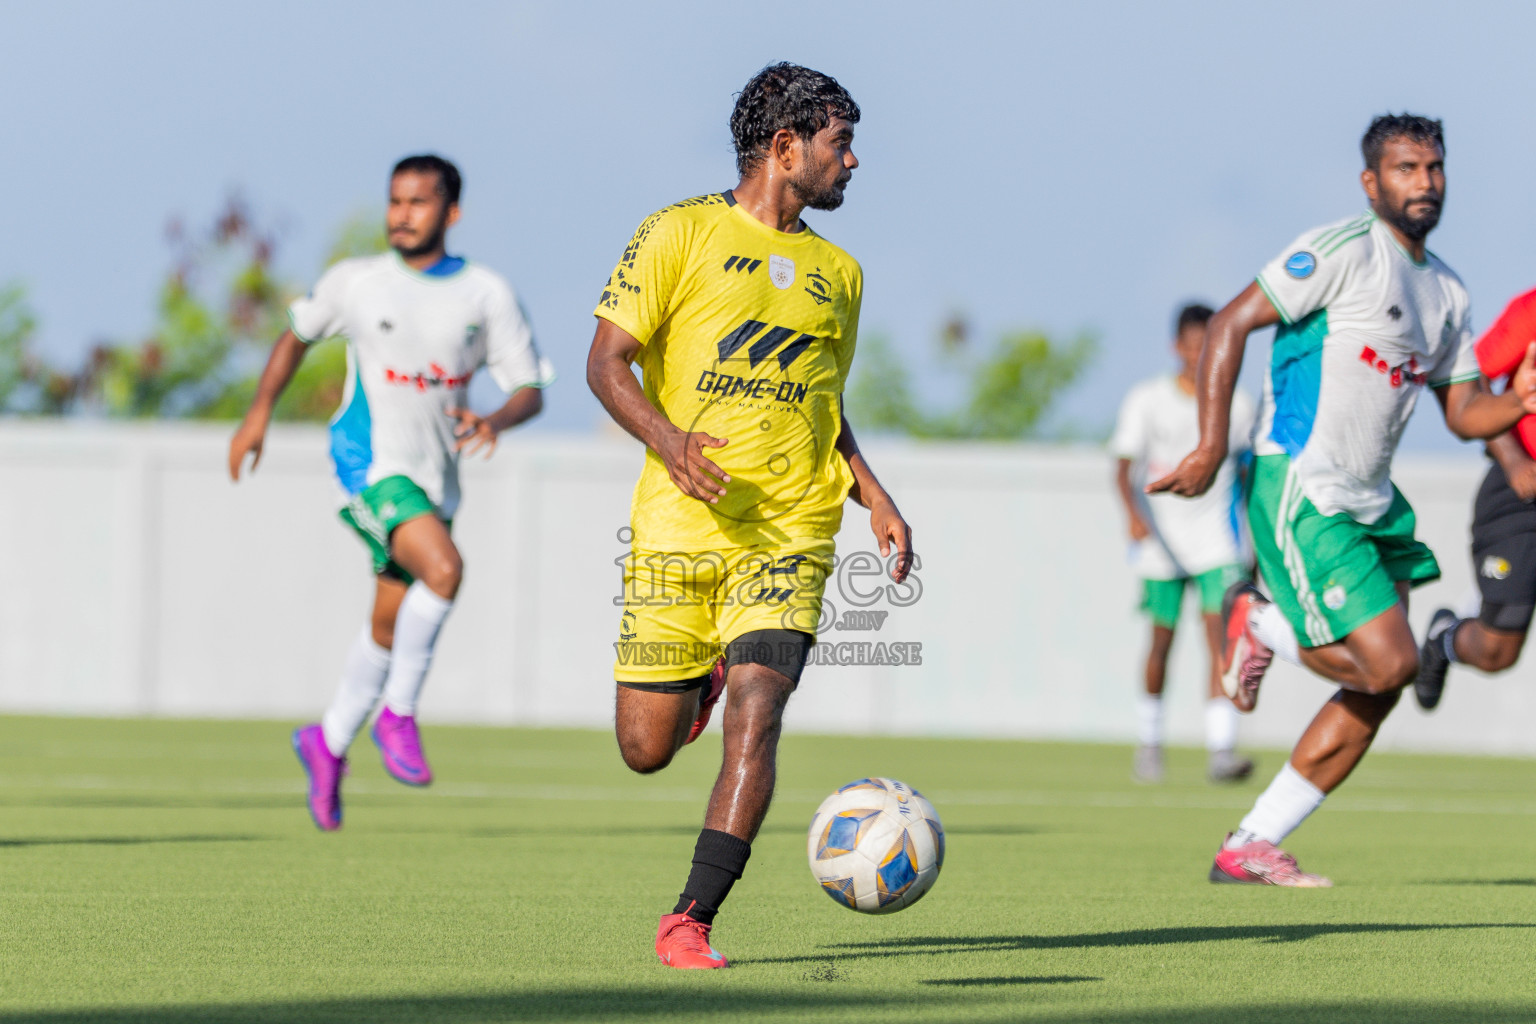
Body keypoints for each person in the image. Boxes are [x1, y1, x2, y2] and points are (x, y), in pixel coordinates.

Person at [1149, 114, 1536, 886]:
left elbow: (1464, 414)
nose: (1422, 183)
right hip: (1302, 487)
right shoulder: (1344, 251)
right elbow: (1231, 322)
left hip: (1372, 504)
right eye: (1404, 169)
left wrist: (1521, 397)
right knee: (1389, 661)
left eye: (1433, 168)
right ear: (1372, 182)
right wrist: (1208, 444)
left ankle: (1251, 841)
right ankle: (1257, 618)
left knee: (1381, 685)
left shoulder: (1448, 292)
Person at [586, 63, 912, 968]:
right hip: (678, 529)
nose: (853, 162)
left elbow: (824, 405)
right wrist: (669, 440)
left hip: (793, 532)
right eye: (840, 144)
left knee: (760, 712)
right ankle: (702, 678)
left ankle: (690, 917)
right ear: (786, 147)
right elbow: (608, 364)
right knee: (644, 748)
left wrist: (873, 493)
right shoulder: (676, 233)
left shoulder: (839, 274)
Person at [228, 154, 554, 831]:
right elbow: (296, 337)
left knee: (389, 621)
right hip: (367, 466)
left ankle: (329, 739)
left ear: (451, 212)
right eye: (395, 201)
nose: (402, 214)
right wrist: (258, 413)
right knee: (445, 569)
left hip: (437, 479)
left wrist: (494, 419)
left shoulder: (485, 294)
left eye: (419, 202)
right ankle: (398, 716)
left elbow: (529, 387)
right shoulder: (357, 283)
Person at [1111, 303, 1256, 784]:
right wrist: (1134, 517)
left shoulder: (1238, 405)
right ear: (1177, 347)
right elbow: (1122, 467)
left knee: (1220, 641)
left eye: (1208, 346)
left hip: (1218, 541)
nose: (1199, 356)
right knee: (1161, 643)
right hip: (1161, 543)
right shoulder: (1147, 399)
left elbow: (1250, 474)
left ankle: (1222, 750)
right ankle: (1149, 742)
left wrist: (1257, 542)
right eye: (1192, 346)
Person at [1415, 287, 1536, 707]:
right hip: (1522, 493)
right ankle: (1444, 638)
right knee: (1496, 651)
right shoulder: (1531, 310)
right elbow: (1471, 382)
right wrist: (1513, 457)